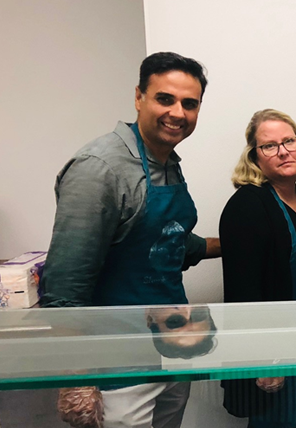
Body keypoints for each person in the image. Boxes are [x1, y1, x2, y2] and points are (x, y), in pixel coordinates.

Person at [40, 51, 221, 428]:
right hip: (116, 361)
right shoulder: (100, 168)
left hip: (171, 345)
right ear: (139, 97)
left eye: (190, 104)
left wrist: (229, 244)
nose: (178, 113)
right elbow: (64, 287)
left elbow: (166, 242)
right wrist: (77, 374)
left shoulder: (167, 160)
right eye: (165, 99)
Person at [219, 109, 296, 428]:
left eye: (289, 141)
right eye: (269, 146)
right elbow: (243, 293)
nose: (283, 151)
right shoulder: (248, 205)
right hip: (277, 351)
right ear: (254, 157)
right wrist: (263, 358)